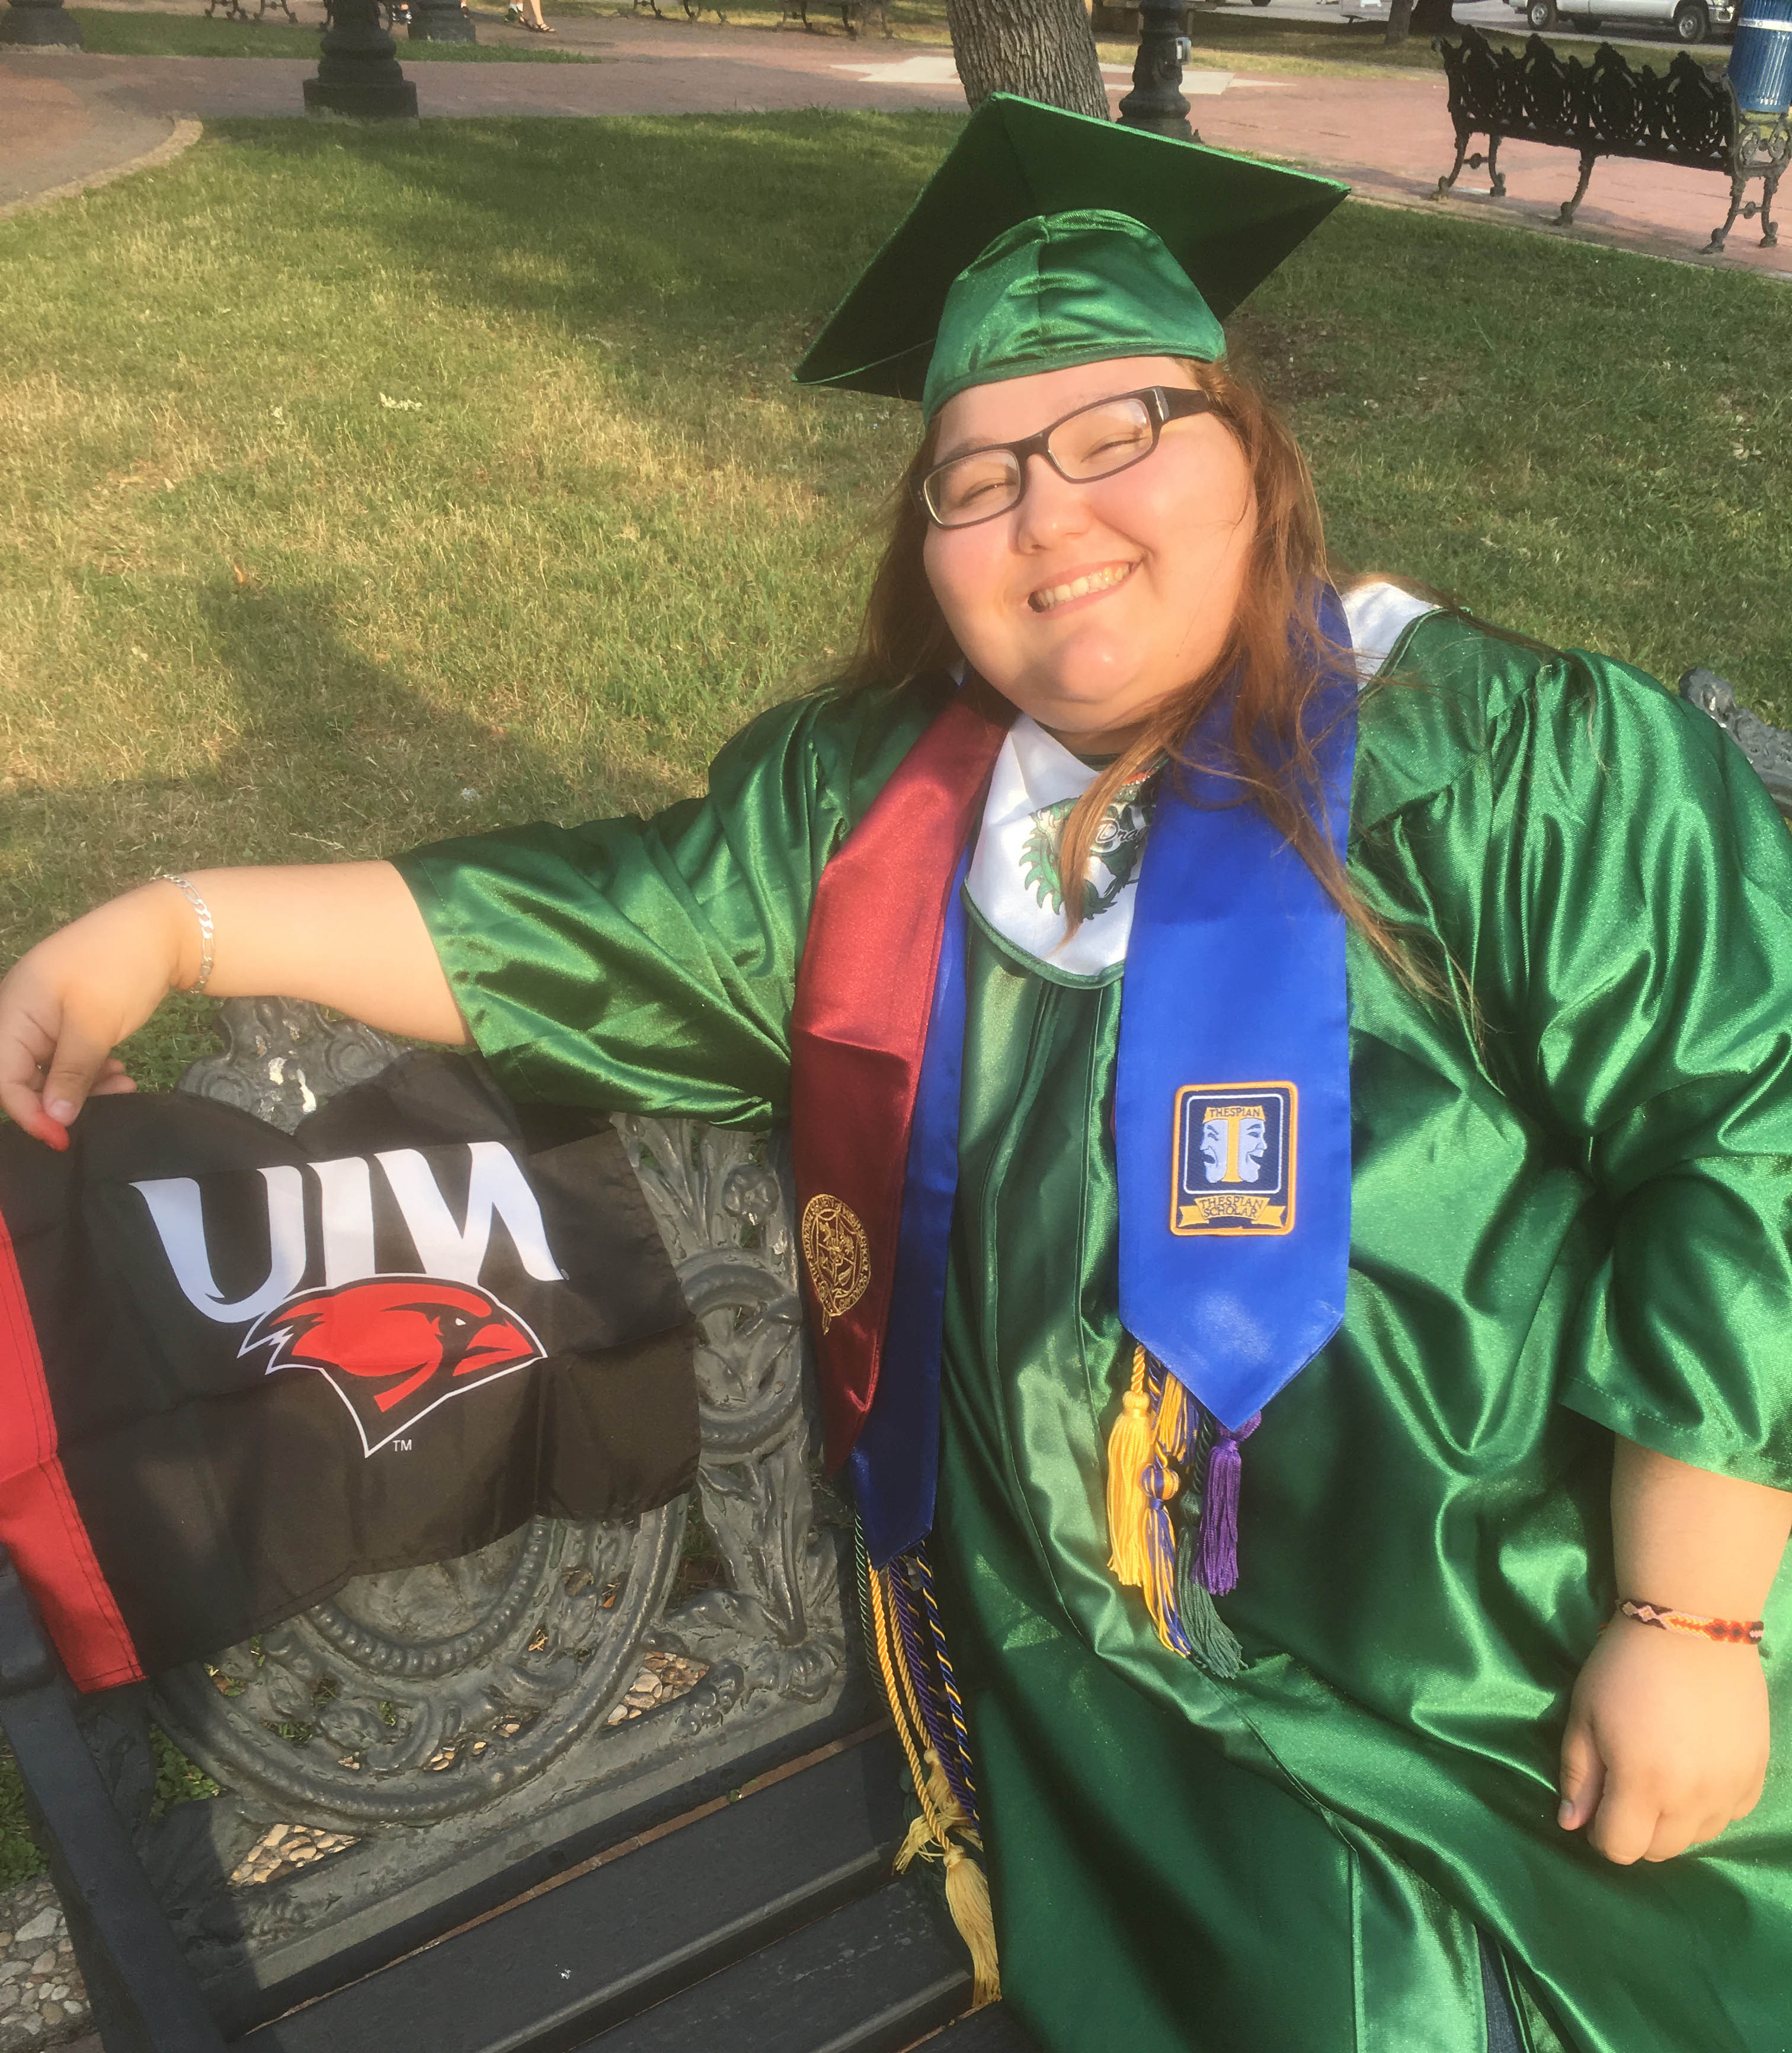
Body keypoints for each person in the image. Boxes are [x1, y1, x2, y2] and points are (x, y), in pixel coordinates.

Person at [4, 94, 1792, 2053]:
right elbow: (572, 919)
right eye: (975, 478)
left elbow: (1748, 1128)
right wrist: (172, 926)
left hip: (1516, 1672)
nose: (1053, 515)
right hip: (1115, 1715)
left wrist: (1689, 1622)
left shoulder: (1513, 761)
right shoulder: (882, 832)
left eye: (1123, 434)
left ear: (1254, 457)